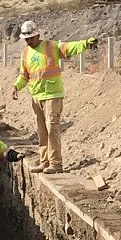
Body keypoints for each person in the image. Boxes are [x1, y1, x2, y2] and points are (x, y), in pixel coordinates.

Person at [12, 19, 96, 173]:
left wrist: (85, 43)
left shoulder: (51, 46)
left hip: (52, 94)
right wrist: (16, 86)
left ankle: (56, 164)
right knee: (41, 130)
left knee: (52, 129)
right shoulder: (25, 53)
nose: (28, 41)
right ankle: (44, 161)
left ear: (37, 35)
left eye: (30, 38)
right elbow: (24, 75)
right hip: (36, 96)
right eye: (26, 39)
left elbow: (69, 47)